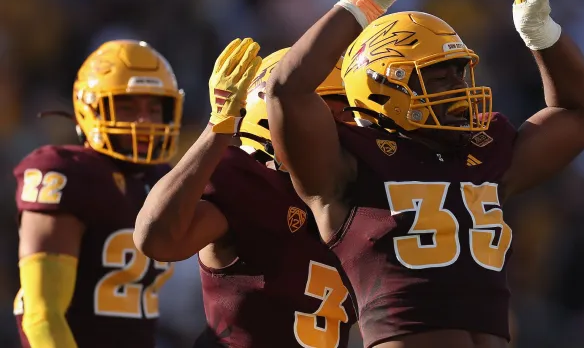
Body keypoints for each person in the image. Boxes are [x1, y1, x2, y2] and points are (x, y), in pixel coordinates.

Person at [265, 0, 584, 347]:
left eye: (459, 73)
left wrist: (541, 33)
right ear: (382, 85)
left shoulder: (484, 152)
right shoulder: (348, 163)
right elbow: (286, 90)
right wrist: (361, 3)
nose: (460, 89)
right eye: (438, 77)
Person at [133, 39, 356, 348]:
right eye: (336, 114)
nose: (352, 129)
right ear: (274, 115)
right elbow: (155, 238)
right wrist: (218, 126)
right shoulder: (246, 182)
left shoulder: (356, 197)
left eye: (351, 115)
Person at [13, 40, 184, 348]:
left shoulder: (160, 178)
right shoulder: (65, 173)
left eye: (154, 108)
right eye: (127, 106)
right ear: (89, 108)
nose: (144, 121)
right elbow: (42, 314)